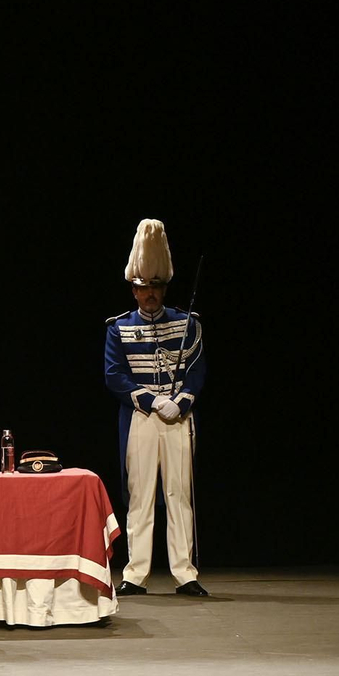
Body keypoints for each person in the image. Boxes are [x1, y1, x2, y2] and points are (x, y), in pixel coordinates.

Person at [104, 218, 208, 597]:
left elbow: (196, 373)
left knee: (180, 494)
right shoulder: (119, 328)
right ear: (133, 289)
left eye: (155, 287)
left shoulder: (187, 324)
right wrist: (152, 400)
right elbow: (115, 376)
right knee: (141, 493)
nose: (149, 294)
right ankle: (136, 573)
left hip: (178, 416)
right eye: (142, 287)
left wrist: (178, 402)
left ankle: (185, 572)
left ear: (164, 288)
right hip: (141, 417)